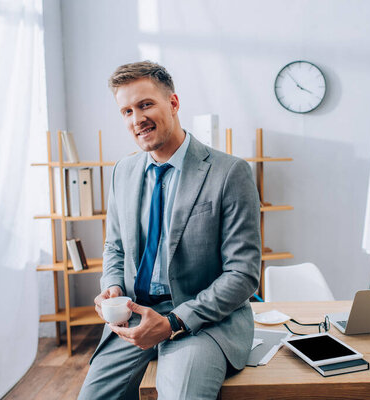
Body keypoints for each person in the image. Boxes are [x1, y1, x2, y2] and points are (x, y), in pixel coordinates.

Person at [78, 61, 261, 400]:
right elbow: (115, 248)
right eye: (127, 111)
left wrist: (174, 322)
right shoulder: (123, 171)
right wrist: (113, 288)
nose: (137, 119)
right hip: (135, 316)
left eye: (146, 104)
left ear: (173, 103)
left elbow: (243, 274)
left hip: (203, 321)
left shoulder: (229, 173)